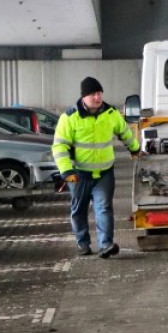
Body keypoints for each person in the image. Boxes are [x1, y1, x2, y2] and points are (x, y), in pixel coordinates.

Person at [53, 76, 141, 259]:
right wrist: (66, 171)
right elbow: (59, 146)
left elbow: (124, 132)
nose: (97, 97)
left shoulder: (111, 114)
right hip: (79, 175)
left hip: (104, 174)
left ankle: (106, 245)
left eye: (99, 93)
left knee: (104, 208)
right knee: (79, 210)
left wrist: (135, 149)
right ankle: (83, 243)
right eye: (93, 94)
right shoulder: (69, 117)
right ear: (83, 96)